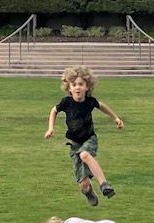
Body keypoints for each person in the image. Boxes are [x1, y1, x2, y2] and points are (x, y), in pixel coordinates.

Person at [44, 64, 123, 207]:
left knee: (85, 155)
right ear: (69, 87)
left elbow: (102, 105)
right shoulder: (66, 102)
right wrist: (51, 128)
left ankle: (104, 184)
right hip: (74, 145)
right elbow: (54, 111)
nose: (77, 87)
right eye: (74, 85)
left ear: (87, 87)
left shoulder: (90, 102)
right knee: (84, 184)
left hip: (89, 139)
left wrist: (115, 118)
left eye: (81, 84)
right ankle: (88, 191)